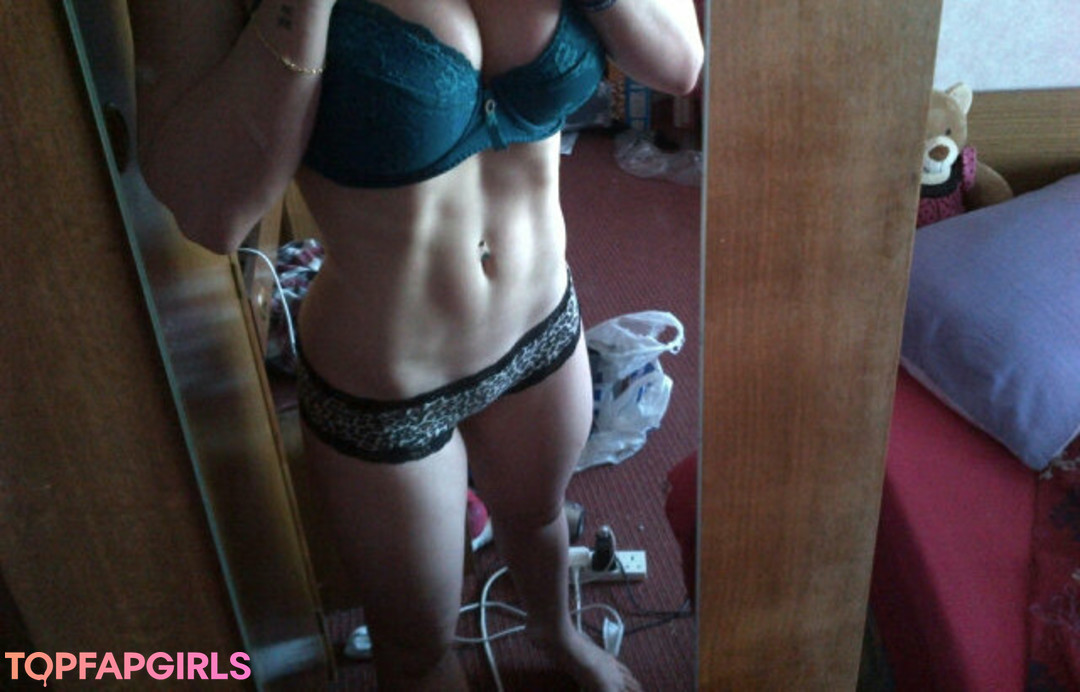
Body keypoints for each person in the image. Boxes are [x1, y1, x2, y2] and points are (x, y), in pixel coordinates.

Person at [130, 1, 702, 689]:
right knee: (415, 643)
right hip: (389, 387)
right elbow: (212, 216)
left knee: (538, 516)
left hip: (540, 328)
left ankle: (557, 635)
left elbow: (682, 66)